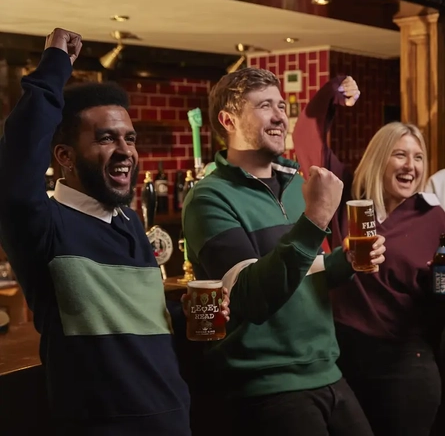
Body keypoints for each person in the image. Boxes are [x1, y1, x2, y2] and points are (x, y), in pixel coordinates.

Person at [0, 27, 212, 435]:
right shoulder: (43, 224)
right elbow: (15, 165)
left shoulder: (129, 220)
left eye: (130, 139)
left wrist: (191, 312)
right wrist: (54, 65)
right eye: (106, 139)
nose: (125, 151)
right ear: (64, 156)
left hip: (173, 419)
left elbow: (139, 322)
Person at [182, 67, 386, 436]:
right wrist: (316, 217)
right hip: (265, 385)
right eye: (264, 106)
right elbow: (249, 297)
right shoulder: (208, 198)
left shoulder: (298, 184)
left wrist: (351, 259)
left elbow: (309, 272)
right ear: (228, 120)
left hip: (327, 368)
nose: (280, 116)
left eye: (281, 105)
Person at [293, 76, 445, 436]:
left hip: (404, 366)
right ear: (379, 157)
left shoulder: (434, 217)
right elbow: (306, 140)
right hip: (340, 360)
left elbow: (440, 294)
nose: (411, 166)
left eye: (419, 157)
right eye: (400, 154)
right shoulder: (346, 198)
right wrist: (332, 93)